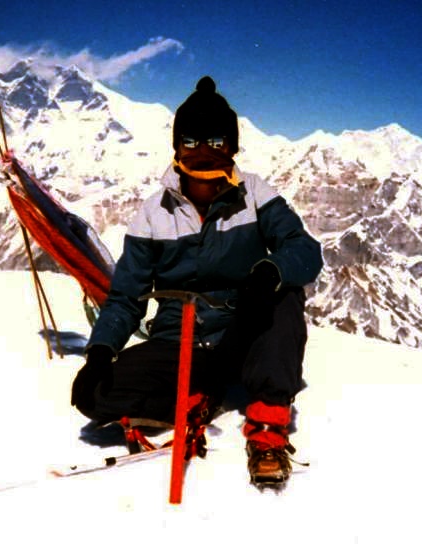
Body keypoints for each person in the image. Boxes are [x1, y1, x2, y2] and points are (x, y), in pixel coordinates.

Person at [71, 76, 323, 485]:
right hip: (179, 342)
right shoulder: (154, 213)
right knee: (96, 396)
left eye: (216, 142)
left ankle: (266, 429)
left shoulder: (256, 195)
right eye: (191, 142)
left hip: (243, 335)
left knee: (286, 295)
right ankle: (200, 392)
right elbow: (126, 297)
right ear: (176, 147)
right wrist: (99, 354)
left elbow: (304, 250)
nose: (203, 152)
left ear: (232, 147)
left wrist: (270, 270)